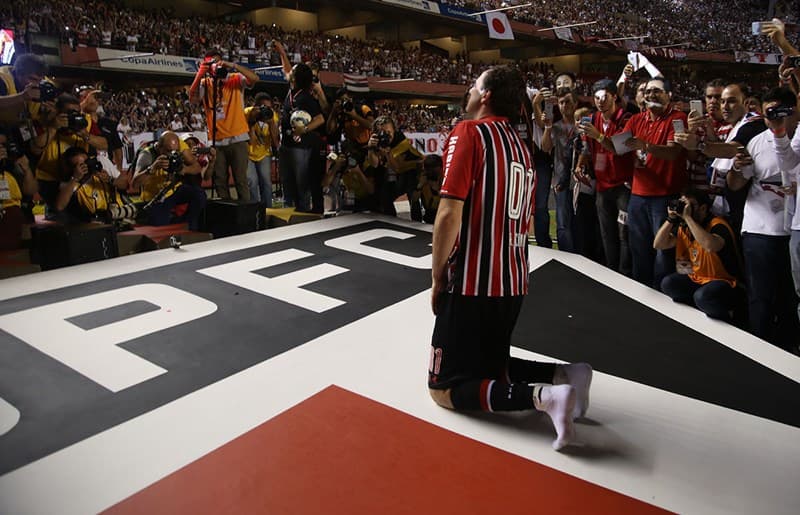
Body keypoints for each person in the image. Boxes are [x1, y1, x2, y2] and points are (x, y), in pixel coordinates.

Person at [428, 65, 592, 451]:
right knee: (488, 366)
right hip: (513, 280)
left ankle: (543, 397)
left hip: (473, 281)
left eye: (474, 85)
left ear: (485, 96)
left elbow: (449, 212)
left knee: (445, 386)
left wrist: (438, 278)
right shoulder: (519, 145)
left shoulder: (470, 132)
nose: (468, 90)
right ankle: (565, 374)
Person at [728, 87, 799, 351]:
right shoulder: (757, 141)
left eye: (780, 112)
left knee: (792, 299)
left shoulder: (799, 137)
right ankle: (760, 350)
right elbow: (736, 184)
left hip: (795, 230)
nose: (773, 119)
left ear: (794, 111)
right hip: (761, 230)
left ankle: (791, 349)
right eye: (768, 114)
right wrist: (736, 168)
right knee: (761, 297)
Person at [622, 77, 688, 288]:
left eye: (657, 91)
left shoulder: (678, 118)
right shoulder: (636, 120)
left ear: (669, 95)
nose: (651, 95)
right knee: (638, 248)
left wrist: (646, 146)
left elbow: (674, 153)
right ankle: (641, 292)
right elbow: (619, 146)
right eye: (648, 91)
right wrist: (598, 137)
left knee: (663, 251)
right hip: (638, 195)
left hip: (665, 196)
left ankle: (663, 295)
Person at [654, 189, 741, 321]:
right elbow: (659, 244)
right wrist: (670, 219)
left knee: (703, 297)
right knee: (669, 283)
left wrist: (688, 218)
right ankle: (697, 312)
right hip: (697, 277)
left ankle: (730, 318)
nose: (686, 209)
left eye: (690, 205)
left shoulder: (718, 225)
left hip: (725, 282)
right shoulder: (684, 225)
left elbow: (709, 246)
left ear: (703, 208)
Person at [577, 79, 635, 274]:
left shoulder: (627, 118)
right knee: (607, 234)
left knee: (624, 234)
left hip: (623, 186)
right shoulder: (591, 119)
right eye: (597, 98)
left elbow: (620, 148)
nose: (600, 101)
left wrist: (599, 136)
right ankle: (611, 273)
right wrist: (580, 165)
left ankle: (625, 275)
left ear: (614, 96)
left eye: (604, 97)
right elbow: (586, 148)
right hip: (602, 186)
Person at [189, 49, 258, 201]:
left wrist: (232, 65)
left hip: (237, 138)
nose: (215, 66)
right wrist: (201, 72)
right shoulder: (205, 83)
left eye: (217, 62)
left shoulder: (234, 78)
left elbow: (254, 78)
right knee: (220, 181)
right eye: (211, 63)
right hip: (217, 140)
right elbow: (192, 98)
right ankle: (226, 216)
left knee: (241, 180)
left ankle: (245, 217)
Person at [30, 93, 108, 215]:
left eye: (77, 112)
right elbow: (36, 149)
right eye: (70, 113)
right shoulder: (46, 121)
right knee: (61, 214)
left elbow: (105, 144)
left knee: (86, 212)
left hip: (79, 176)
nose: (74, 116)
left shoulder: (85, 121)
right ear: (58, 112)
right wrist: (54, 128)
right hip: (50, 178)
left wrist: (85, 134)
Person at [132, 131, 205, 230]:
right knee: (160, 227)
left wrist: (184, 169)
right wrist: (152, 168)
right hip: (156, 196)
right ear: (159, 147)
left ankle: (186, 223)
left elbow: (197, 168)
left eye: (175, 151)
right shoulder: (147, 154)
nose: (172, 154)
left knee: (199, 194)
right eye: (169, 151)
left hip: (174, 190)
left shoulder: (178, 149)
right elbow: (135, 184)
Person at [54, 146, 135, 223]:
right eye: (81, 165)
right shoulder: (71, 181)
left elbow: (125, 185)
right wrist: (75, 178)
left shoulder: (100, 162)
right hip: (96, 221)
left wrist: (110, 179)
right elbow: (59, 206)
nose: (86, 166)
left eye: (87, 161)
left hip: (120, 212)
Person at [366, 115, 423, 217]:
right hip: (395, 171)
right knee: (384, 193)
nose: (385, 136)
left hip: (413, 169)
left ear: (394, 131)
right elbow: (374, 164)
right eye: (382, 133)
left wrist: (387, 153)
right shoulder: (376, 140)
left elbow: (396, 168)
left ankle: (417, 219)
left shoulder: (400, 141)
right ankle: (390, 217)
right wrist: (370, 148)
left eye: (388, 132)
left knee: (412, 193)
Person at [0, 130, 36, 250]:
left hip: (17, 219)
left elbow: (30, 190)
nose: (2, 149)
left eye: (3, 145)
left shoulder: (12, 164)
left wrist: (26, 169)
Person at [244, 92, 279, 206]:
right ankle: (255, 210)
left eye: (269, 107)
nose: (266, 110)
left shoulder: (271, 115)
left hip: (264, 154)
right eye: (263, 107)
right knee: (252, 182)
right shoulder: (247, 113)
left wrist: (272, 124)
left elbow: (275, 141)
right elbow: (250, 140)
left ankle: (267, 209)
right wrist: (252, 121)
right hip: (248, 154)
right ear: (255, 105)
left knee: (266, 183)